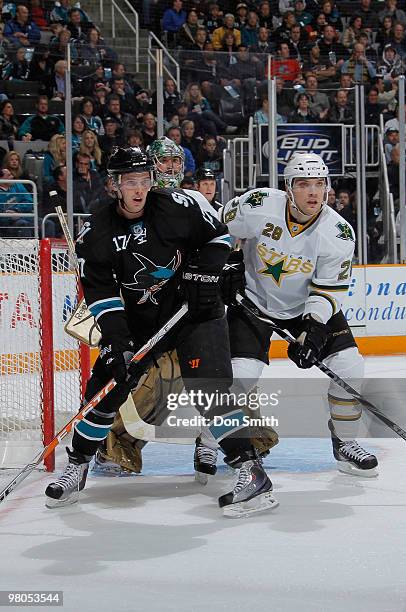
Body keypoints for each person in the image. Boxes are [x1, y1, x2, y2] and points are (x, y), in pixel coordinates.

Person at [45, 146, 278, 518]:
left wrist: (202, 274)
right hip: (140, 322)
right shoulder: (98, 229)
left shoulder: (178, 206)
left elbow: (218, 237)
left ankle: (250, 472)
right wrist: (118, 342)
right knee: (104, 388)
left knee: (211, 389)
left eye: (144, 181)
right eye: (130, 182)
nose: (139, 190)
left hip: (194, 314)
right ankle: (78, 464)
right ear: (114, 186)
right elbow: (102, 293)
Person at [216, 153, 378, 478]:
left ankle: (345, 443)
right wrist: (227, 257)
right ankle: (218, 446)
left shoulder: (339, 232)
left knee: (350, 365)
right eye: (304, 184)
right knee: (236, 379)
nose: (313, 192)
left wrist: (314, 329)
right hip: (253, 301)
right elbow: (218, 225)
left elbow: (329, 289)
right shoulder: (259, 204)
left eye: (319, 184)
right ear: (289, 187)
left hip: (305, 307)